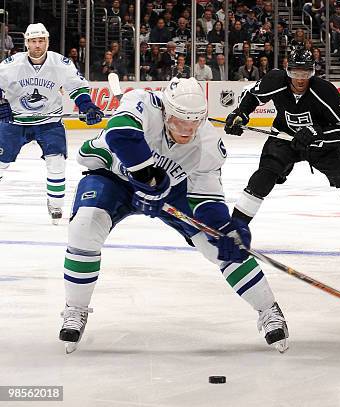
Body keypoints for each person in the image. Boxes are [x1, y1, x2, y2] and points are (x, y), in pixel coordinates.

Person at [59, 77, 288, 353]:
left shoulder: (208, 145)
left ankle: (268, 309)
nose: (187, 129)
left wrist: (224, 226)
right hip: (114, 178)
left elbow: (207, 199)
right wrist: (147, 176)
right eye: (180, 120)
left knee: (218, 245)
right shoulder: (141, 101)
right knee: (85, 227)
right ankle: (75, 308)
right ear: (166, 111)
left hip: (173, 192)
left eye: (194, 122)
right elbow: (119, 133)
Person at [224, 47, 340, 225]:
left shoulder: (325, 92)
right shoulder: (275, 81)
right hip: (284, 138)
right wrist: (241, 114)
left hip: (320, 145)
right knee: (263, 177)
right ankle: (235, 228)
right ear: (287, 70)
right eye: (295, 72)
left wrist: (316, 132)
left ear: (313, 72)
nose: (300, 79)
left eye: (306, 73)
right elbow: (253, 96)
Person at [0, 23, 103, 224]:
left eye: (41, 40)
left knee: (56, 163)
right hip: (15, 120)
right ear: (26, 43)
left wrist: (87, 106)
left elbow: (77, 87)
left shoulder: (61, 64)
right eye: (33, 41)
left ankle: (56, 206)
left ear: (47, 41)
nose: (37, 45)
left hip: (49, 121)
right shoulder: (12, 64)